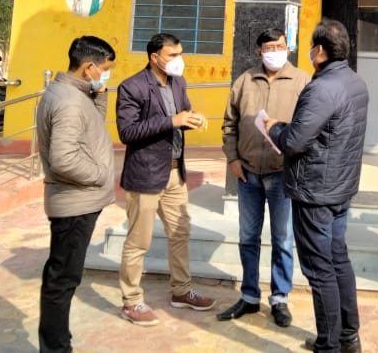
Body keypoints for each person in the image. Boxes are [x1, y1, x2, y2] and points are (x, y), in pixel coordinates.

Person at [264, 19, 368, 353]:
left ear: (319, 50)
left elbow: (294, 142)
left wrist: (273, 127)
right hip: (339, 187)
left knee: (320, 269)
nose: (309, 52)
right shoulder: (355, 82)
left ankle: (329, 345)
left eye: (311, 46)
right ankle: (348, 337)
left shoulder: (321, 88)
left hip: (315, 191)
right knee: (338, 261)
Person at [116, 32, 215, 325]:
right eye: (173, 55)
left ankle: (181, 291)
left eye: (180, 54)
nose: (179, 60)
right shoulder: (132, 86)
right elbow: (127, 132)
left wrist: (193, 118)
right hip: (145, 174)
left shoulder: (178, 82)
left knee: (180, 233)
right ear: (154, 57)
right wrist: (173, 120)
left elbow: (183, 115)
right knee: (139, 241)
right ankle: (131, 301)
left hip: (175, 173)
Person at [218, 28, 309, 327]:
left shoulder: (302, 81)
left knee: (282, 238)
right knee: (248, 238)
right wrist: (233, 158)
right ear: (259, 51)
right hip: (248, 174)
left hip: (283, 173)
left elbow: (309, 126)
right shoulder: (244, 81)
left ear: (288, 48)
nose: (275, 52)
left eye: (280, 46)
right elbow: (229, 123)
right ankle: (249, 296)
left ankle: (279, 298)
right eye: (269, 47)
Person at [36, 35, 117, 353]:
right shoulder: (69, 102)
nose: (106, 75)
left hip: (77, 200)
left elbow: (90, 127)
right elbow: (64, 159)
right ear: (89, 67)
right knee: (62, 281)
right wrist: (100, 175)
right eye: (105, 70)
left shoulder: (72, 94)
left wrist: (99, 95)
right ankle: (56, 348)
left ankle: (57, 344)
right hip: (74, 204)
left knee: (62, 277)